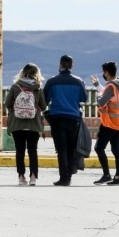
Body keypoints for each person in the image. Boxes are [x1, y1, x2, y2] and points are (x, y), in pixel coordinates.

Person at [43, 55, 87, 186]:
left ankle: (64, 178)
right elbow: (84, 98)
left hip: (57, 118)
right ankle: (69, 176)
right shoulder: (79, 81)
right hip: (73, 119)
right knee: (71, 148)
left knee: (61, 149)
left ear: (60, 65)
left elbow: (45, 100)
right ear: (72, 65)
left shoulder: (52, 81)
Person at [4, 63, 48, 186]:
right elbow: (44, 106)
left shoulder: (15, 87)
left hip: (17, 125)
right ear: (36, 74)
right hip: (33, 125)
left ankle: (21, 177)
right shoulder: (38, 88)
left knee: (20, 151)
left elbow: (7, 104)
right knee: (33, 151)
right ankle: (33, 177)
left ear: (22, 73)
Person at [90, 61, 119, 186]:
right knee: (116, 149)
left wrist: (97, 98)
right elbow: (109, 95)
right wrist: (97, 85)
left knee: (99, 148)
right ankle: (118, 177)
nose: (103, 74)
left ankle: (106, 175)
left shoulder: (111, 87)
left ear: (106, 72)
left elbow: (102, 102)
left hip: (109, 123)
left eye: (104, 72)